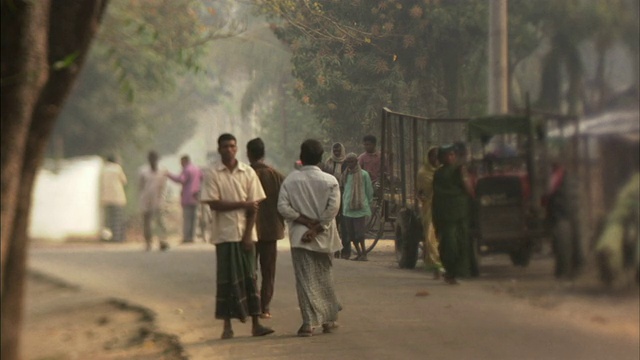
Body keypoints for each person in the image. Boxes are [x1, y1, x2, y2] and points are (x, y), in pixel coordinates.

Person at [200, 133, 274, 340]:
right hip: (223, 235)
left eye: (232, 146)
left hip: (245, 234)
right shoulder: (213, 173)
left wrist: (249, 234)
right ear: (219, 149)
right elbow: (214, 204)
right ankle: (227, 327)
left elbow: (254, 207)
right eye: (225, 146)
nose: (229, 149)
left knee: (250, 277)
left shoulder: (247, 172)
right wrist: (242, 204)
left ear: (237, 148)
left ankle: (256, 324)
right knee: (226, 281)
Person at [277, 139, 342, 337]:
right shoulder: (330, 181)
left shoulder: (290, 180)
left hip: (300, 237)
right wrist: (318, 227)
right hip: (324, 237)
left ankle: (308, 323)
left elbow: (283, 207)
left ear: (301, 157)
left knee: (305, 280)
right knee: (325, 278)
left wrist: (304, 222)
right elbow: (333, 209)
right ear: (321, 158)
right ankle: (329, 320)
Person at [246, 138, 286, 319]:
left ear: (249, 153)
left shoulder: (244, 175)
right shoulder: (277, 176)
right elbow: (285, 203)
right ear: (263, 153)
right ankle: (265, 307)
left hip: (249, 231)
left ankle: (252, 305)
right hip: (271, 230)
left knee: (249, 269)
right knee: (268, 271)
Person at [432, 145, 474, 284]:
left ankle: (459, 272)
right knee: (449, 244)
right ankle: (450, 272)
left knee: (463, 242)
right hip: (445, 215)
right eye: (447, 155)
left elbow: (469, 189)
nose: (450, 157)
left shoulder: (459, 170)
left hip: (460, 213)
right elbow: (467, 189)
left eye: (452, 155)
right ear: (442, 158)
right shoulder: (439, 173)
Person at [545, 162, 583, 279]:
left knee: (563, 238)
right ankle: (572, 266)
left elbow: (549, 192)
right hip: (566, 214)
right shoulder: (560, 175)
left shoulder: (558, 176)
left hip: (560, 213)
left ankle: (567, 268)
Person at [416, 146, 444, 279]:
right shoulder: (423, 173)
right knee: (430, 237)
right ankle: (436, 266)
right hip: (430, 208)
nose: (436, 159)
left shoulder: (444, 171)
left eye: (438, 156)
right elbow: (421, 192)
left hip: (445, 207)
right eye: (434, 156)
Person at [341, 153, 374, 261]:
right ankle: (359, 253)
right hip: (347, 208)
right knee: (351, 235)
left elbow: (369, 191)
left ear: (356, 162)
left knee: (360, 234)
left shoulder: (364, 174)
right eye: (348, 162)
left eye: (352, 161)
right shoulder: (345, 174)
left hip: (359, 208)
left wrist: (368, 203)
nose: (350, 164)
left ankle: (364, 253)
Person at [138, 151, 169, 251]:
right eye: (151, 159)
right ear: (148, 160)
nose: (153, 162)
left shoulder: (162, 170)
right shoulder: (143, 171)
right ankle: (148, 242)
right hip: (146, 199)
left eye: (154, 159)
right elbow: (140, 185)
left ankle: (162, 241)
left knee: (161, 222)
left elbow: (164, 185)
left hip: (159, 199)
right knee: (147, 222)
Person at [167, 155, 202, 244]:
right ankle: (192, 236)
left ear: (184, 161)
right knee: (194, 218)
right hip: (196, 196)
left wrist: (169, 175)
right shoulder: (197, 169)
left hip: (187, 196)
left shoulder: (186, 170)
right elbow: (202, 178)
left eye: (181, 162)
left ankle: (186, 237)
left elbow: (181, 180)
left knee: (187, 218)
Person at [323, 142, 348, 258]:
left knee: (344, 223)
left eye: (339, 151)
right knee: (334, 223)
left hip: (344, 193)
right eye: (335, 151)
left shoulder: (347, 162)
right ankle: (335, 249)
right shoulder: (328, 162)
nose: (337, 153)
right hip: (332, 193)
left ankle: (344, 249)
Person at [100, 155, 127, 242]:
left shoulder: (103, 169)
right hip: (117, 197)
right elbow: (124, 181)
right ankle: (117, 238)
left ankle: (107, 238)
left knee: (109, 220)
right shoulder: (117, 168)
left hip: (106, 198)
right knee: (117, 219)